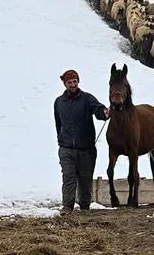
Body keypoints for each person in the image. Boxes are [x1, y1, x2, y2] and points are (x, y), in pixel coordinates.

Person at [54, 69, 109, 215]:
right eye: (70, 82)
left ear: (78, 82)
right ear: (65, 84)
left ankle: (85, 207)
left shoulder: (87, 98)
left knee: (85, 179)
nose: (73, 84)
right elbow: (58, 123)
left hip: (87, 148)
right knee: (68, 178)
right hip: (66, 148)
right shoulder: (59, 102)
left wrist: (104, 113)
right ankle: (67, 207)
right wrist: (61, 140)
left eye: (75, 81)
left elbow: (98, 110)